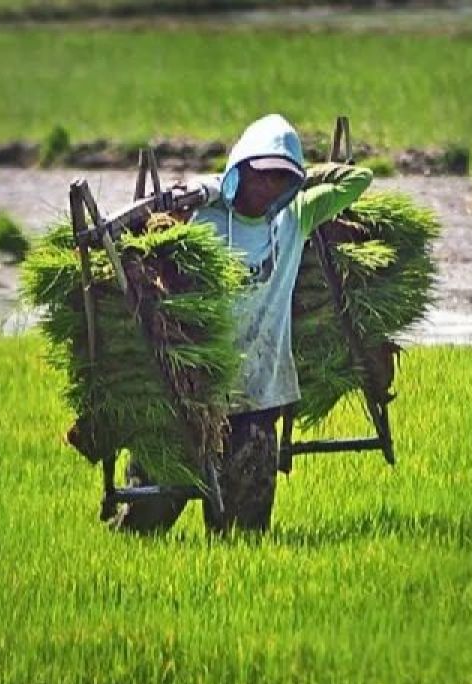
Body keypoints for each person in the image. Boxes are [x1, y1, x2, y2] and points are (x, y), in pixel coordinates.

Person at [108, 113, 373, 534]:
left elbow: (358, 179)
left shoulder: (297, 217)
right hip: (188, 389)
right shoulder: (197, 217)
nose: (268, 188)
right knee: (147, 520)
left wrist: (301, 176)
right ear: (239, 171)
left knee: (242, 533)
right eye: (260, 175)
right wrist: (212, 187)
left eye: (280, 180)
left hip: (258, 391)